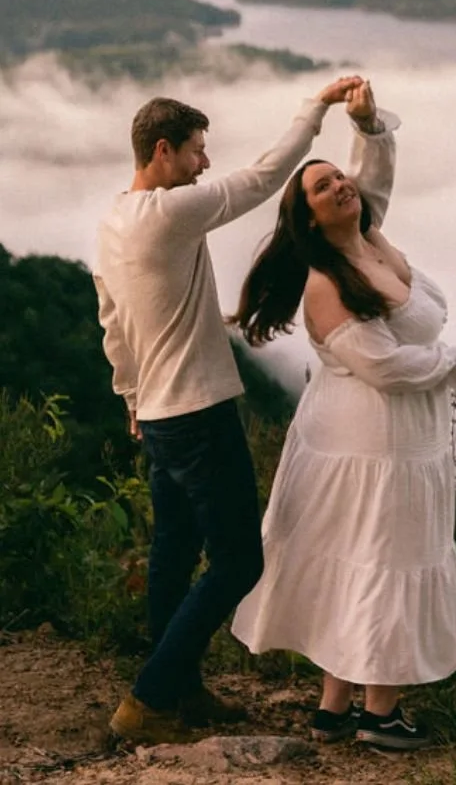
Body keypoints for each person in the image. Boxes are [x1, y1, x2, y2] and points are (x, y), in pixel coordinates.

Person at [95, 74, 371, 745]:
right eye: (196, 149)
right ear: (163, 151)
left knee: (174, 550)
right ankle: (148, 699)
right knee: (239, 561)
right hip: (199, 412)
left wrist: (131, 397)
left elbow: (113, 324)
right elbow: (265, 177)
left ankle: (180, 690)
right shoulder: (170, 212)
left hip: (159, 414)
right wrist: (317, 108)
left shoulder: (112, 222)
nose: (204, 162)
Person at [230, 81, 456, 752]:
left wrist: (365, 124)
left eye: (339, 176)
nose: (340, 185)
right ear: (309, 220)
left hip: (394, 437)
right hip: (370, 441)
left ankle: (334, 709)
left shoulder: (369, 238)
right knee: (384, 559)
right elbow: (384, 366)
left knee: (365, 559)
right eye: (322, 187)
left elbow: (373, 182)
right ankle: (381, 714)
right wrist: (453, 361)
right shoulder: (326, 283)